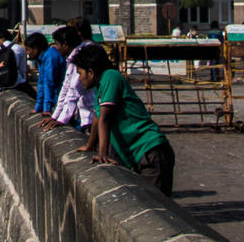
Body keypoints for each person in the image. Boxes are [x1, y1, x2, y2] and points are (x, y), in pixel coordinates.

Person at [73, 43, 174, 197]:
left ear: (91, 72)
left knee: (156, 205)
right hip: (139, 154)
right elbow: (97, 117)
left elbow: (105, 116)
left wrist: (102, 152)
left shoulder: (111, 77)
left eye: (80, 73)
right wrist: (90, 145)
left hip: (150, 151)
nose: (79, 79)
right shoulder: (101, 86)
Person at [42, 26, 96, 132]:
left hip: (91, 115)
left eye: (57, 44)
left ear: (65, 45)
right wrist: (55, 116)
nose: (55, 48)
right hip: (86, 114)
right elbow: (65, 88)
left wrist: (62, 120)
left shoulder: (79, 58)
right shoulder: (71, 59)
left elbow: (73, 91)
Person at [27, 32, 66, 115]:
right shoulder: (42, 58)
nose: (27, 53)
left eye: (28, 50)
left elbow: (49, 82)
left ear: (36, 49)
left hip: (62, 99)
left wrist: (47, 109)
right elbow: (41, 83)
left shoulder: (50, 56)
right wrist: (38, 107)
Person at [0, 26, 19, 94]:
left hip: (2, 85)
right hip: (17, 82)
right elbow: (23, 70)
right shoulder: (19, 48)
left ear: (3, 39)